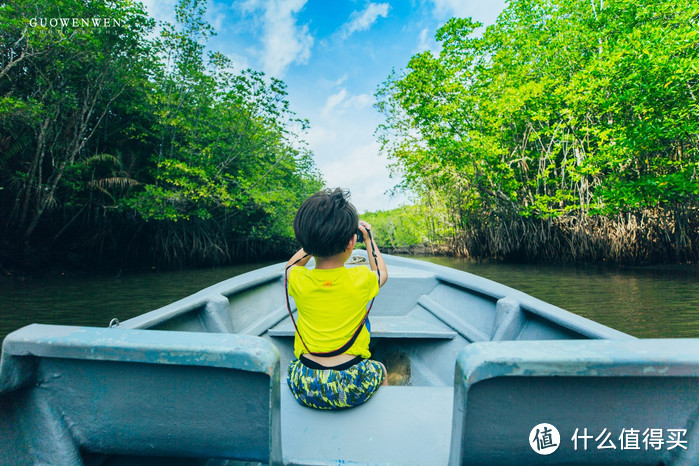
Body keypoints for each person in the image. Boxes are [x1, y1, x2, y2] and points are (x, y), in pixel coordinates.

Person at [285, 187, 388, 410]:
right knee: (381, 369)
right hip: (352, 384)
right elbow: (382, 273)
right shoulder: (361, 278)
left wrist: (314, 242)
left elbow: (290, 265)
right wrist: (369, 240)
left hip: (305, 383)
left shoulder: (296, 278)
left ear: (306, 242)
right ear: (352, 242)